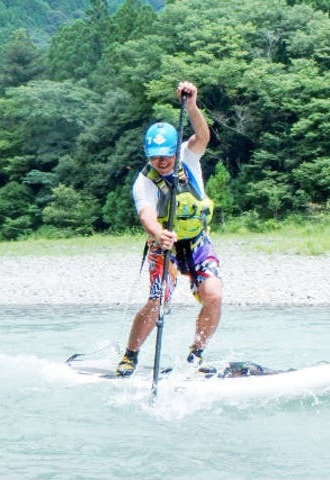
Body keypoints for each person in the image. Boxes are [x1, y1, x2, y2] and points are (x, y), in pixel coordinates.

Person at [116, 81, 222, 377]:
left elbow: (203, 135)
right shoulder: (144, 181)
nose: (162, 161)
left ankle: (196, 355)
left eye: (166, 154)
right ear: (148, 155)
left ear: (175, 149)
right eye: (155, 156)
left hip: (198, 242)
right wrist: (157, 233)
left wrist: (191, 106)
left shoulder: (188, 155)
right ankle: (130, 356)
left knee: (213, 295)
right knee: (158, 299)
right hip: (166, 247)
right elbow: (146, 213)